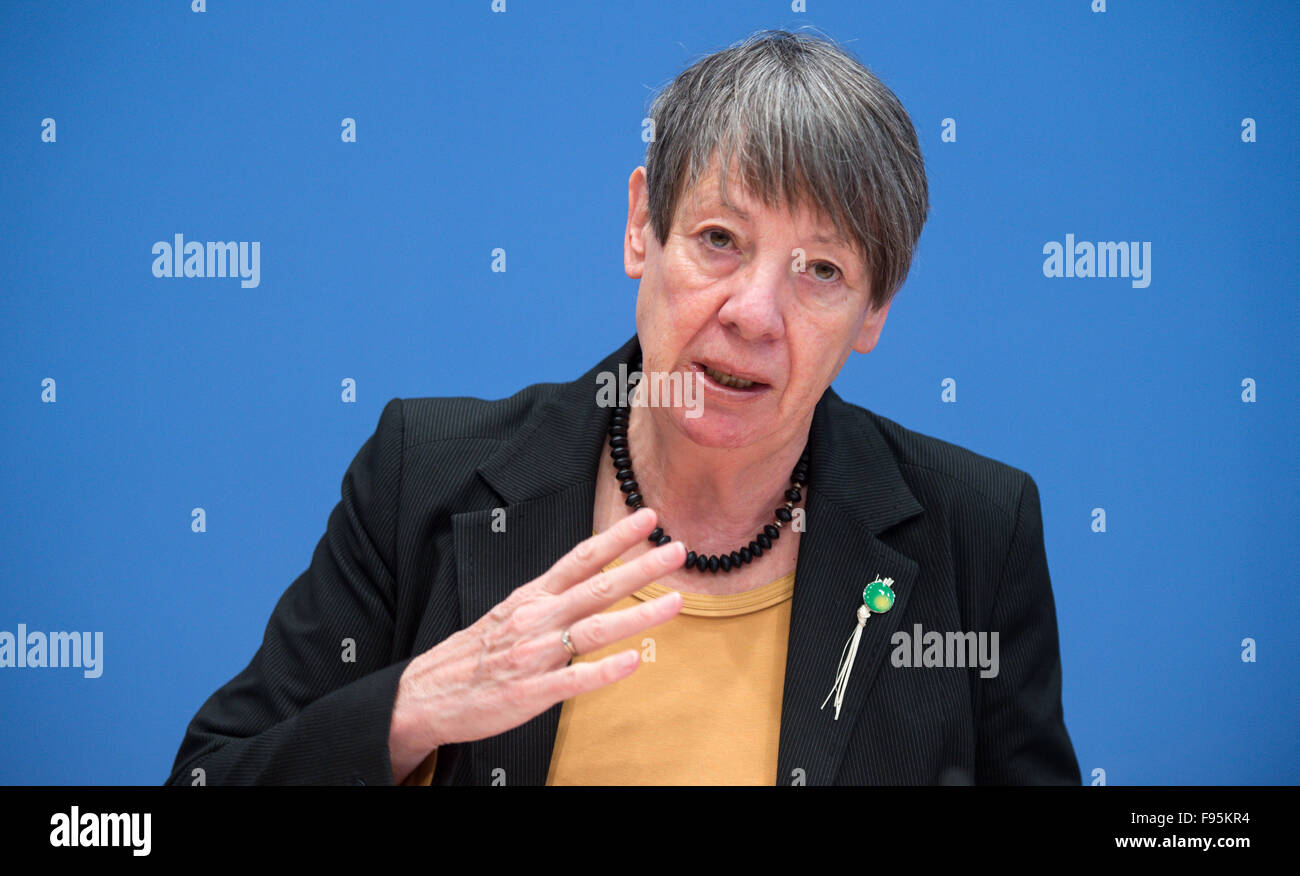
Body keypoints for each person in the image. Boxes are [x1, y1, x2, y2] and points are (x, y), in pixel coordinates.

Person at [167, 28, 1080, 786]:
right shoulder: (427, 476)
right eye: (720, 239)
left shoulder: (975, 531)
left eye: (823, 271)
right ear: (643, 225)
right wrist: (410, 710)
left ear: (874, 310)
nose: (753, 314)